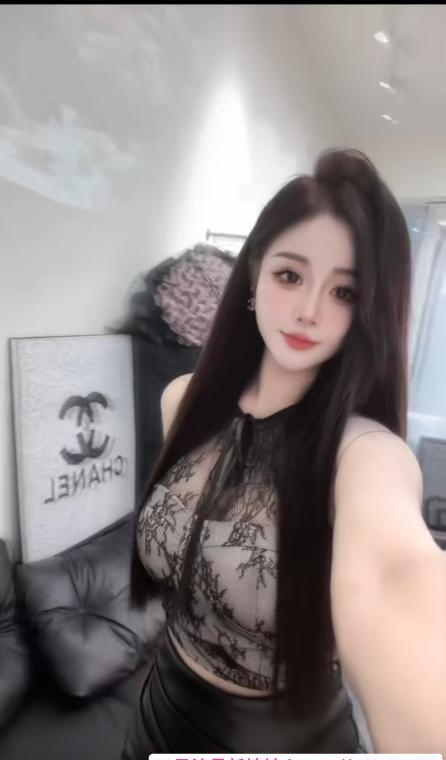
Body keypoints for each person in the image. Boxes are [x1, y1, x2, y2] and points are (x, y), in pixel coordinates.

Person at [122, 148, 446, 756]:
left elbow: (397, 578)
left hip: (284, 738)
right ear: (253, 274)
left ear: (368, 312)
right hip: (157, 714)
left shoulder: (365, 456)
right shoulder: (181, 401)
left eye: (344, 292)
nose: (308, 311)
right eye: (290, 276)